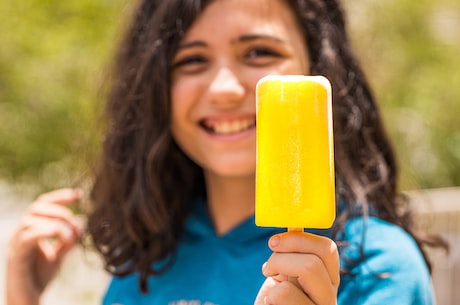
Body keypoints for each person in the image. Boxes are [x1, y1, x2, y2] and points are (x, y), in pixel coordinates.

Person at [6, 0, 447, 304]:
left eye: (258, 52)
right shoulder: (148, 259)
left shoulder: (379, 268)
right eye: (192, 60)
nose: (224, 89)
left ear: (318, 70)